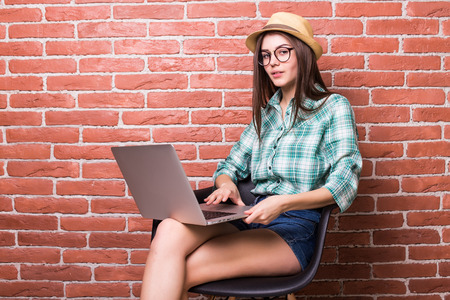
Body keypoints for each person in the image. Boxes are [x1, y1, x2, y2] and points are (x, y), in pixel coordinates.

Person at [140, 12, 362, 300]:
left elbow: (344, 183)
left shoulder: (332, 107)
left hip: (293, 228)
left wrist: (283, 202)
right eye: (266, 56)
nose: (273, 63)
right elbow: (229, 166)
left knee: (180, 268)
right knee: (169, 229)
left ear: (304, 54)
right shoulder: (265, 116)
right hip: (247, 214)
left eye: (282, 52)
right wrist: (226, 184)